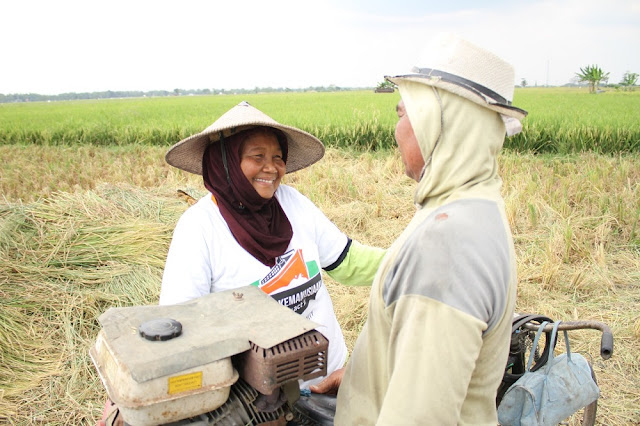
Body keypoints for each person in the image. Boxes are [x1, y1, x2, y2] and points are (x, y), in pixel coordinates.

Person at [334, 33, 528, 424]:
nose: (397, 130)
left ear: (437, 123)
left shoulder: (447, 243)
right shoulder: (475, 205)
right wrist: (362, 376)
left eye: (403, 113)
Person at [159, 101, 385, 389]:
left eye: (278, 157)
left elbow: (348, 261)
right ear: (225, 161)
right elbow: (179, 325)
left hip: (331, 382)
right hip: (259, 406)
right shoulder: (199, 228)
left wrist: (411, 260)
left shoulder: (293, 203)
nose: (272, 168)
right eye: (258, 156)